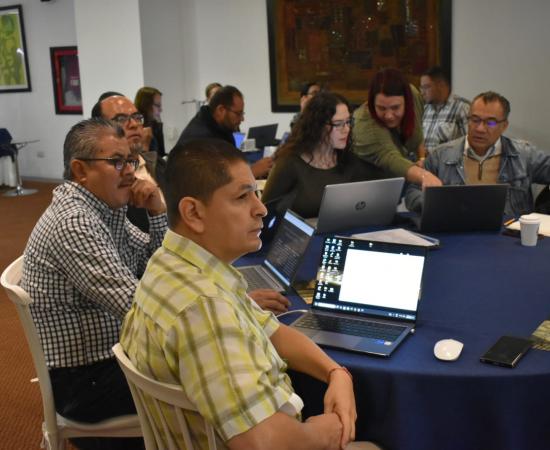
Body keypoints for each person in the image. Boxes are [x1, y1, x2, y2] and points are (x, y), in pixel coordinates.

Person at [120, 139, 378, 450]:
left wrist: (336, 373)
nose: (261, 209)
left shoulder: (171, 263)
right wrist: (326, 432)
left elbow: (271, 330)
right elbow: (262, 443)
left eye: (255, 192)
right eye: (243, 197)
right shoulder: (205, 308)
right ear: (193, 212)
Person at [21, 118, 168, 450]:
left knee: (211, 362)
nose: (130, 171)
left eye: (131, 160)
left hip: (109, 357)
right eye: (116, 162)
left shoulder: (102, 206)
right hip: (84, 382)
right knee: (208, 374)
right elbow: (136, 305)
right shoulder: (74, 222)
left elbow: (152, 266)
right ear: (80, 170)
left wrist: (158, 212)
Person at [94, 93, 290, 313]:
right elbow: (139, 301)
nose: (133, 125)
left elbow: (165, 251)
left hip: (180, 281)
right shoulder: (103, 197)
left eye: (136, 117)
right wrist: (234, 302)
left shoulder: (153, 165)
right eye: (121, 119)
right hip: (157, 306)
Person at [405, 91, 550, 216]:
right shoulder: (441, 155)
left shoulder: (524, 154)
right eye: (475, 120)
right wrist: (435, 205)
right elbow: (412, 193)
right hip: (456, 232)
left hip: (509, 236)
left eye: (491, 123)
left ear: (504, 126)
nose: (480, 128)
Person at [262, 91, 383, 218]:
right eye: (338, 124)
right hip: (302, 234)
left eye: (348, 122)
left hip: (341, 230)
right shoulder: (289, 162)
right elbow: (265, 211)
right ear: (317, 126)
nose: (346, 129)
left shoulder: (348, 160)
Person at [352, 68, 441, 187]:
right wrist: (424, 176)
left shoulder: (413, 96)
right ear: (372, 103)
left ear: (407, 102)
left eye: (395, 108)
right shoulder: (364, 123)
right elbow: (391, 158)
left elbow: (417, 131)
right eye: (381, 108)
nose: (389, 116)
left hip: (406, 180)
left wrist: (422, 158)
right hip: (371, 186)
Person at [174, 85, 274, 178]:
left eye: (242, 113)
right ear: (221, 110)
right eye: (238, 114)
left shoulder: (220, 127)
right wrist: (252, 172)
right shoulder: (202, 138)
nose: (242, 119)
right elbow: (215, 182)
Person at [420, 66, 470, 153]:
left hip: (450, 165)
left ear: (441, 85)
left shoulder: (462, 108)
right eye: (422, 88)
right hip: (424, 164)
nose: (422, 92)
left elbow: (470, 145)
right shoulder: (425, 109)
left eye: (426, 87)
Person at [134, 86, 166, 157]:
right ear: (146, 105)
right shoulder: (135, 130)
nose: (161, 110)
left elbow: (160, 155)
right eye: (158, 105)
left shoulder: (154, 125)